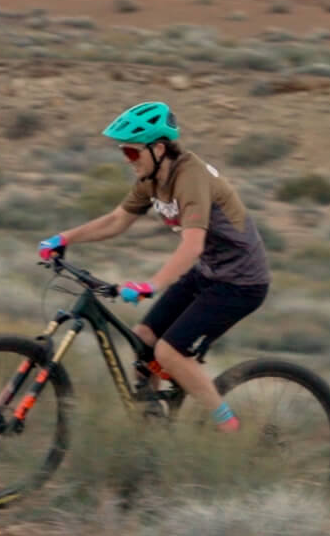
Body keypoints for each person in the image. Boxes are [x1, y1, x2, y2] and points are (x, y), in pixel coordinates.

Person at [36, 101, 270, 431]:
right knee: (144, 337)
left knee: (169, 352)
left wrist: (152, 285)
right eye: (124, 153)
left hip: (241, 282)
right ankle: (152, 434)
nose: (128, 161)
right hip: (208, 272)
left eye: (132, 154)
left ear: (159, 148)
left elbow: (192, 244)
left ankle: (230, 426)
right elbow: (117, 220)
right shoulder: (152, 178)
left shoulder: (190, 177)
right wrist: (64, 239)